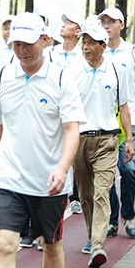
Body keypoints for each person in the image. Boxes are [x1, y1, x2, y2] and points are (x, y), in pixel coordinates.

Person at [0, 12, 84, 268]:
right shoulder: (1, 77)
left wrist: (62, 169)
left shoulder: (61, 79)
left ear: (44, 40)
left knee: (51, 246)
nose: (22, 49)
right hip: (9, 178)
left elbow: (71, 130)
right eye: (15, 43)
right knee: (5, 245)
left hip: (49, 182)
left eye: (28, 42)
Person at [69, 23, 132, 268]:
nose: (85, 47)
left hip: (107, 140)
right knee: (85, 195)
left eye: (90, 43)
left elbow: (124, 106)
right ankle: (91, 235)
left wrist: (128, 140)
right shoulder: (73, 72)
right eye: (83, 42)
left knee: (101, 192)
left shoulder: (117, 71)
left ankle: (98, 245)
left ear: (103, 46)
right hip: (79, 140)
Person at [98, 7, 135, 239]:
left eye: (111, 21)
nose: (107, 26)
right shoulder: (97, 51)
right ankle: (111, 219)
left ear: (122, 24)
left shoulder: (134, 52)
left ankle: (128, 215)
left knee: (129, 169)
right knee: (105, 174)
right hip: (105, 120)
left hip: (130, 119)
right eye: (103, 22)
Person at [50, 13, 85, 215]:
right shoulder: (51, 53)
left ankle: (76, 195)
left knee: (76, 159)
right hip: (52, 113)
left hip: (75, 114)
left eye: (69, 23)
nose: (63, 25)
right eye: (63, 22)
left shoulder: (83, 54)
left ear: (78, 31)